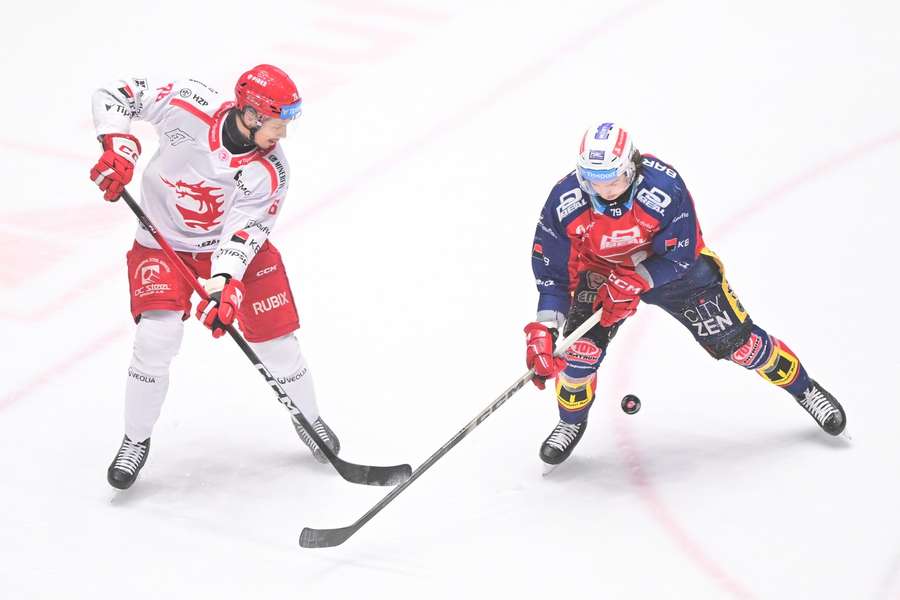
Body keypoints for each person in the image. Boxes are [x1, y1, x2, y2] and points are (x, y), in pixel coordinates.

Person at [524, 122, 846, 466]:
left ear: (632, 166)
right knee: (577, 355)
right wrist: (546, 326)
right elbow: (552, 270)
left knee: (743, 346)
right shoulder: (565, 200)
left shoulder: (664, 188)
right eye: (592, 180)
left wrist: (635, 281)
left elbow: (682, 253)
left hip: (672, 271)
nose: (603, 190)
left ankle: (805, 389)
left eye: (613, 179)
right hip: (602, 270)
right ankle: (570, 422)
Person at [90, 65, 339, 490]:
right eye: (277, 122)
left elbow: (245, 232)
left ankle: (309, 418)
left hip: (227, 249)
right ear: (252, 114)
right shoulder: (189, 102)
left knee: (277, 343)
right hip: (162, 242)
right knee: (156, 338)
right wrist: (118, 144)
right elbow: (117, 93)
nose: (283, 134)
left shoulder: (272, 171)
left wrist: (225, 284)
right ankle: (135, 440)